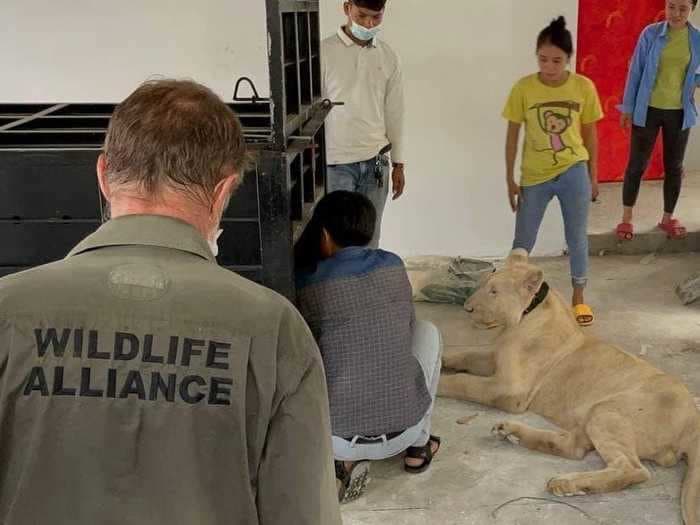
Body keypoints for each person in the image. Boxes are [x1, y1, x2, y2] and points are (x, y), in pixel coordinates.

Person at [0, 79, 342, 525]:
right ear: (224, 190)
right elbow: (302, 514)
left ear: (103, 176)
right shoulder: (274, 329)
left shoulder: (8, 310)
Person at [295, 191, 442, 504]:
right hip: (404, 430)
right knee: (427, 333)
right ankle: (419, 445)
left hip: (335, 440)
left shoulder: (309, 282)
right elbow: (407, 329)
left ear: (323, 232)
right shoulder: (393, 265)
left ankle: (345, 460)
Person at [503, 16, 603, 327]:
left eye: (557, 60)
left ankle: (578, 297)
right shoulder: (524, 88)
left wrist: (593, 175)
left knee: (576, 237)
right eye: (543, 59)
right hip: (535, 176)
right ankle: (513, 299)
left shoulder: (583, 87)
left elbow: (590, 134)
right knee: (522, 241)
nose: (549, 66)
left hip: (574, 170)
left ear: (568, 59)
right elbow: (512, 135)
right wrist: (510, 178)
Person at [322, 0, 406, 248]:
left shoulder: (388, 56)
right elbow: (310, 110)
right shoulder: (323, 53)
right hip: (335, 163)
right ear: (347, 8)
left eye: (376, 18)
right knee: (336, 240)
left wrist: (399, 162)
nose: (368, 24)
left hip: (376, 163)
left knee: (369, 238)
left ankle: (364, 287)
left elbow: (396, 112)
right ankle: (337, 287)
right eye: (362, 16)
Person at [616, 0, 700, 241]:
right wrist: (628, 108)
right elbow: (636, 71)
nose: (675, 13)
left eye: (683, 8)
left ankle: (667, 218)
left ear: (693, 9)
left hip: (680, 112)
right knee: (636, 165)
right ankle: (626, 218)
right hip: (647, 110)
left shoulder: (696, 39)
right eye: (671, 6)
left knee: (674, 168)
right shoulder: (650, 34)